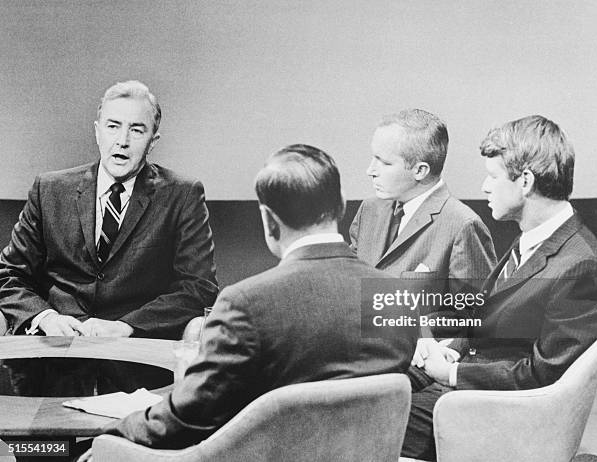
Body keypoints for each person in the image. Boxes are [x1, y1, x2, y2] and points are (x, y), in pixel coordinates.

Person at [84, 144, 417, 453]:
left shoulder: (245, 304)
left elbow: (187, 420)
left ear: (269, 221)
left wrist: (107, 439)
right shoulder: (397, 296)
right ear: (340, 205)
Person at [402, 115, 597, 459]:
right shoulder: (533, 239)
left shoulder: (582, 267)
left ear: (525, 181)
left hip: (496, 414)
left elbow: (541, 374)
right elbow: (485, 316)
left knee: (364, 414)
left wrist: (452, 371)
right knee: (372, 382)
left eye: (493, 176)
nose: (485, 186)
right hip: (473, 383)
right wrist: (429, 333)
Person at [0, 80, 218, 339]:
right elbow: (10, 274)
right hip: (56, 354)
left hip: (133, 357)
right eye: (113, 127)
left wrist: (126, 326)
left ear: (153, 141)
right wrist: (45, 317)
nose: (122, 141)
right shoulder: (49, 190)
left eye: (136, 131)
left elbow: (199, 287)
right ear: (97, 131)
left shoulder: (182, 195)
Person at [350, 109, 496, 336]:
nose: (370, 171)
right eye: (373, 158)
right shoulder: (369, 210)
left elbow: (475, 319)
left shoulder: (463, 226)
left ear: (420, 170)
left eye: (384, 163)